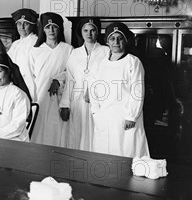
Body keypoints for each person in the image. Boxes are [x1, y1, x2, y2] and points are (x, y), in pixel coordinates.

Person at [88, 22, 150, 158]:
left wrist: (131, 116)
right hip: (104, 118)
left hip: (126, 119)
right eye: (112, 38)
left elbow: (137, 91)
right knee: (103, 156)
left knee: (127, 155)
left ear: (125, 40)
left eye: (120, 38)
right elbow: (93, 91)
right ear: (107, 42)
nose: (116, 42)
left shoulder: (133, 62)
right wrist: (96, 112)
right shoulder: (99, 64)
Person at [59, 17, 109, 151]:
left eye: (93, 30)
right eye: (85, 30)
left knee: (95, 134)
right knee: (76, 134)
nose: (89, 34)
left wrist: (93, 90)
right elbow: (70, 79)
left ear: (97, 32)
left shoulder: (106, 51)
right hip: (77, 101)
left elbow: (107, 77)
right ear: (81, 32)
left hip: (97, 101)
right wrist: (65, 104)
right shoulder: (75, 53)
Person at [28, 12, 73, 146]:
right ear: (43, 29)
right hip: (39, 96)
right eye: (48, 27)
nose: (51, 30)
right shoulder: (35, 51)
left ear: (60, 29)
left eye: (55, 27)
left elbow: (71, 73)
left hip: (59, 97)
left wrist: (58, 79)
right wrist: (32, 98)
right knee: (38, 131)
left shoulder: (68, 49)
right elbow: (30, 76)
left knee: (56, 130)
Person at [7, 8, 39, 103]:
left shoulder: (36, 42)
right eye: (19, 24)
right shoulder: (15, 45)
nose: (22, 27)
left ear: (32, 25)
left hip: (30, 85)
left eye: (26, 23)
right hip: (15, 85)